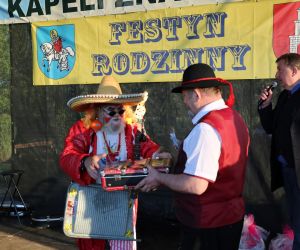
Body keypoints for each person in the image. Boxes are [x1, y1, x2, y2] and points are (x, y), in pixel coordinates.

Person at [135, 63, 250, 250]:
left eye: (185, 97)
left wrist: (159, 178)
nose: (185, 103)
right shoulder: (234, 117)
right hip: (230, 218)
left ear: (196, 94)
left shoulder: (206, 129)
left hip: (207, 225)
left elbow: (196, 185)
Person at [60, 75, 170, 250]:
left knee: (122, 243)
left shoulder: (132, 130)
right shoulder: (84, 129)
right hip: (91, 200)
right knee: (92, 243)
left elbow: (148, 147)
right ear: (98, 110)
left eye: (120, 110)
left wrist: (159, 154)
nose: (117, 115)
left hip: (123, 199)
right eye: (111, 111)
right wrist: (85, 161)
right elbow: (67, 156)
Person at [258, 53, 300, 250]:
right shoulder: (285, 96)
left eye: (280, 70)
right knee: (294, 215)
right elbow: (270, 127)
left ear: (294, 70)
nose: (277, 75)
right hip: (288, 170)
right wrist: (266, 106)